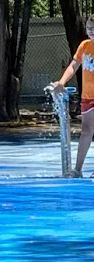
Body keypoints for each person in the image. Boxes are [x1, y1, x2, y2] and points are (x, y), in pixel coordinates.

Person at [52, 16, 94, 177]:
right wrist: (61, 82)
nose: (91, 31)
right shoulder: (84, 46)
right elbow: (74, 65)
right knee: (86, 131)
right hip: (87, 96)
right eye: (89, 28)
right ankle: (78, 169)